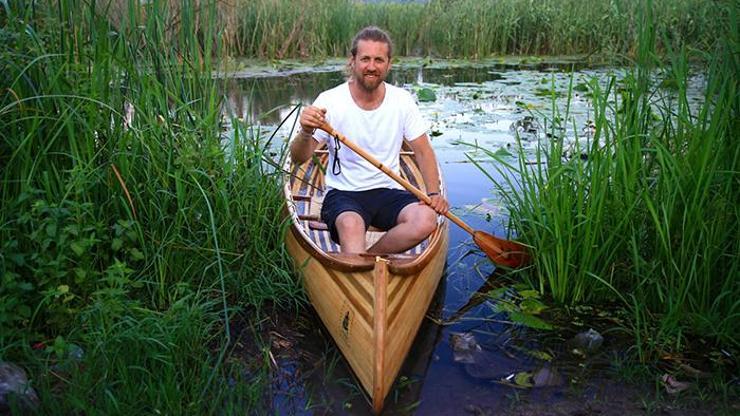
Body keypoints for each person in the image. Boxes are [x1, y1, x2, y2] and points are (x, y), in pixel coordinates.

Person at [290, 26, 449, 254]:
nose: (371, 66)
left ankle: (371, 258)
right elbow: (298, 158)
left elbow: (423, 151)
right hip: (344, 194)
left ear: (388, 64)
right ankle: (362, 268)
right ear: (352, 61)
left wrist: (434, 194)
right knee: (351, 225)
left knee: (426, 220)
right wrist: (305, 131)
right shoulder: (330, 101)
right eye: (365, 59)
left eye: (378, 60)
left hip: (390, 190)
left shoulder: (402, 100)